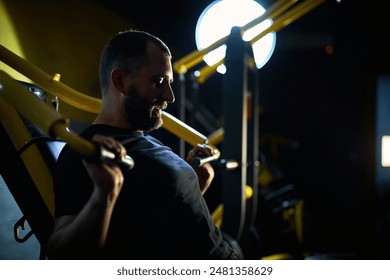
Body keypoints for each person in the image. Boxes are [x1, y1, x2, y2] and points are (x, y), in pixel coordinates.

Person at [47, 29, 241, 260]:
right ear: (120, 81)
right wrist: (104, 194)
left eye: (169, 83)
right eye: (158, 82)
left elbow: (155, 218)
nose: (169, 96)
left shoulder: (145, 138)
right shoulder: (89, 151)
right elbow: (61, 253)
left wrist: (195, 183)